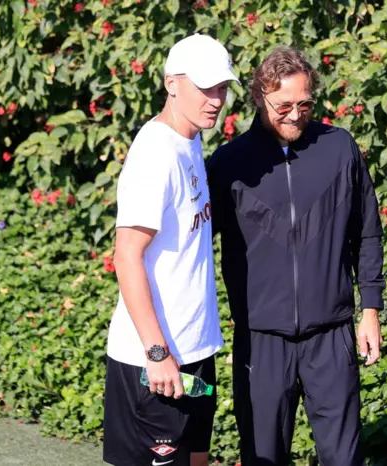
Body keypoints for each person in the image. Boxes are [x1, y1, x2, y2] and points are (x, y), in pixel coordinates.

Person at [206, 47, 385, 466]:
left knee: (344, 459)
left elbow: (367, 231)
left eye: (304, 104)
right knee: (262, 458)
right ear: (259, 98)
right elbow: (193, 246)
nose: (295, 114)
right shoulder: (229, 163)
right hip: (260, 339)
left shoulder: (339, 148)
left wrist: (371, 310)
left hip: (332, 334)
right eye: (283, 105)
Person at [102, 33, 240, 466]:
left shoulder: (190, 141)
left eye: (222, 87)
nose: (216, 100)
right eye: (205, 87)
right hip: (155, 361)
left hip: (194, 351)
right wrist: (157, 353)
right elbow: (126, 255)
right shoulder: (155, 153)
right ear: (171, 83)